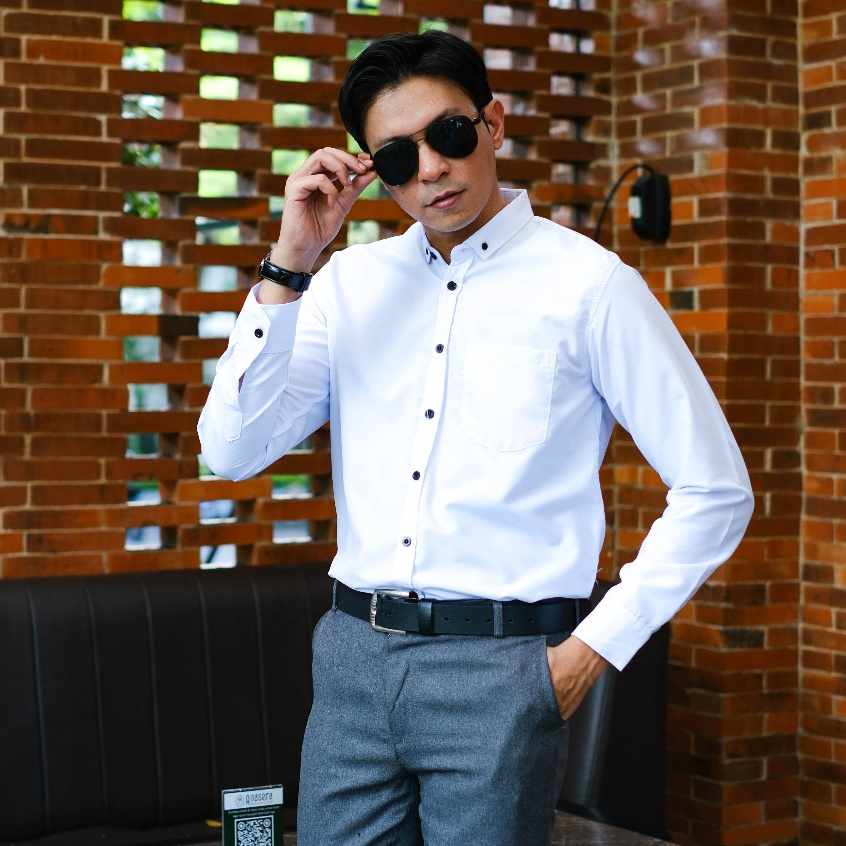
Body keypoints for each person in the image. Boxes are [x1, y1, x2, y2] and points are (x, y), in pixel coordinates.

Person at [198, 30, 753, 846]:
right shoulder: (346, 285)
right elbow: (231, 451)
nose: (430, 169)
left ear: (492, 124)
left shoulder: (591, 287)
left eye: (449, 134)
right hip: (353, 660)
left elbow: (716, 490)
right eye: (397, 157)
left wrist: (588, 653)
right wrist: (290, 263)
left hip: (504, 670)